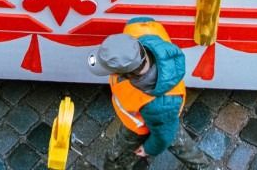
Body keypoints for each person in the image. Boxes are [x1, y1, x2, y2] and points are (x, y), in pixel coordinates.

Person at [87, 17, 211, 170]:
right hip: (161, 116)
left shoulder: (159, 105)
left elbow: (164, 136)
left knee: (120, 155)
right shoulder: (139, 31)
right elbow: (142, 20)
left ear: (127, 74)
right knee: (176, 138)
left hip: (144, 123)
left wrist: (149, 149)